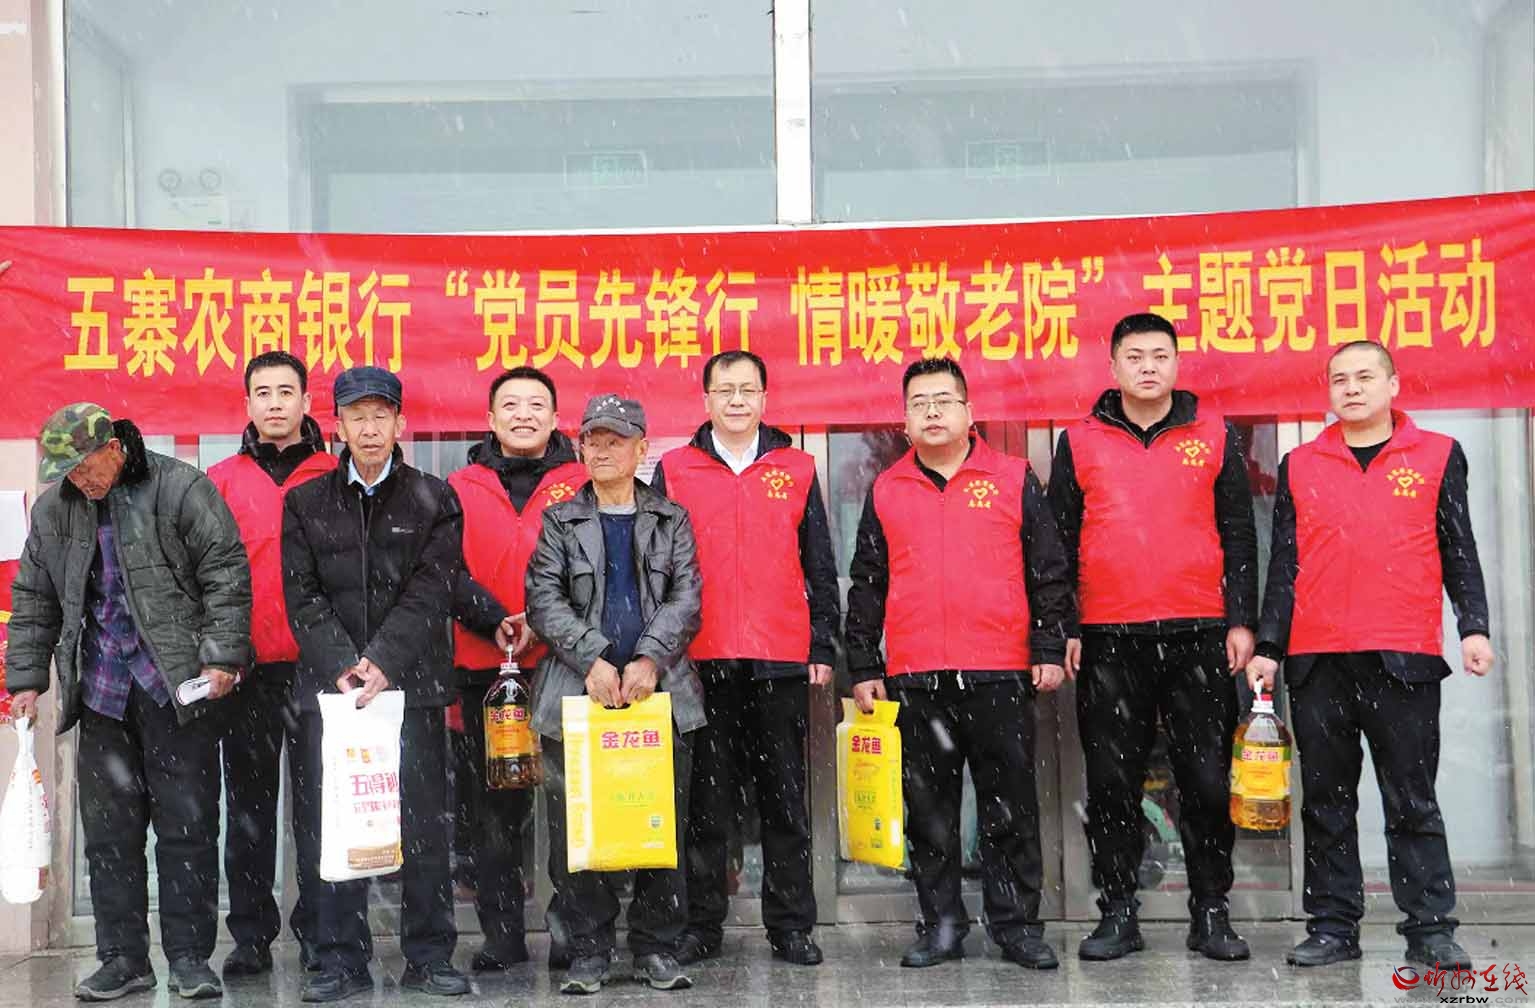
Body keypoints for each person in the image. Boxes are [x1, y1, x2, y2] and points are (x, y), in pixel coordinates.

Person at [1247, 340, 1495, 971]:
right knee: (1326, 802)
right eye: (1339, 380)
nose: (1352, 389)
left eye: (1364, 377)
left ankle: (1430, 930)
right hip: (1318, 658)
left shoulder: (1437, 454)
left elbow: (1458, 546)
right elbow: (1285, 565)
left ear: (1393, 384)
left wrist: (1473, 626)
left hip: (1403, 654)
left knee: (1411, 798)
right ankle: (1333, 926)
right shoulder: (1301, 464)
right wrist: (1270, 645)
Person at [7, 403, 251, 1002]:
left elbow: (225, 573)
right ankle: (122, 959)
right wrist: (25, 681)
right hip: (102, 692)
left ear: (114, 447)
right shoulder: (55, 510)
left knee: (187, 829)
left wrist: (222, 655)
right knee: (109, 836)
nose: (80, 480)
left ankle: (190, 959)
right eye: (67, 472)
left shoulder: (180, 488)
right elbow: (34, 598)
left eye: (85, 466)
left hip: (174, 690)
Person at [845, 358, 1072, 971]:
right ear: (904, 419)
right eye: (920, 403)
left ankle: (1016, 926)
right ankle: (941, 925)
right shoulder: (888, 488)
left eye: (944, 400)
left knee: (1010, 808)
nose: (932, 412)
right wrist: (863, 662)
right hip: (916, 675)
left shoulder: (1013, 477)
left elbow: (1048, 570)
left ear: (970, 412)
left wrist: (1049, 646)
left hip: (999, 670)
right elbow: (867, 582)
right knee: (930, 814)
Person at [1047, 312, 1259, 962]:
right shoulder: (1078, 441)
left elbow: (1239, 532)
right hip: (1110, 637)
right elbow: (1057, 542)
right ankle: (1117, 910)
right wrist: (1064, 625)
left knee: (1205, 781)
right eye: (1134, 356)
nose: (1147, 367)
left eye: (1159, 355)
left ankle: (1211, 909)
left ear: (1176, 363)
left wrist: (1241, 619)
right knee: (1113, 783)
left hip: (1199, 633)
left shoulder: (1214, 435)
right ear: (1113, 367)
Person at [281, 366, 470, 1002]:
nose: (368, 428)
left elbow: (432, 588)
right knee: (337, 824)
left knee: (423, 826)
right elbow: (302, 595)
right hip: (334, 696)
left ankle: (429, 956)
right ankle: (340, 959)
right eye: (356, 416)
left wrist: (384, 659)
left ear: (399, 423)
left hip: (413, 690)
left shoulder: (433, 498)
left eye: (379, 416)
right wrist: (342, 663)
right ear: (337, 425)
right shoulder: (305, 502)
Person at [650, 350, 840, 967]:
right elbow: (656, 568)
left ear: (764, 398)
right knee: (706, 804)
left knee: (784, 799)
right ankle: (702, 924)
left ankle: (791, 925)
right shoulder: (676, 468)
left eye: (748, 390)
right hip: (699, 660)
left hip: (779, 657)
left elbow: (819, 563)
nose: (737, 400)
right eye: (725, 390)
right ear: (705, 400)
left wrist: (823, 642)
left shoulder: (797, 467)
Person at [525, 393, 705, 995]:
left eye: (615, 440)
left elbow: (686, 598)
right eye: (592, 441)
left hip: (660, 695)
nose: (602, 451)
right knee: (578, 831)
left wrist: (650, 658)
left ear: (641, 449)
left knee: (660, 825)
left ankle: (656, 946)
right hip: (577, 698)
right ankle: (588, 949)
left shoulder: (671, 519)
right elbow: (543, 599)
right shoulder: (560, 519)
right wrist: (593, 659)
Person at [448, 366, 587, 971]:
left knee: (569, 802)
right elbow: (442, 569)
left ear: (555, 418)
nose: (523, 415)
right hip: (485, 667)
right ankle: (501, 935)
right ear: (490, 418)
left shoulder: (582, 482)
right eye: (511, 405)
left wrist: (541, 620)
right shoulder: (458, 486)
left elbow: (594, 568)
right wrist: (493, 618)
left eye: (536, 405)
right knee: (493, 810)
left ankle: (572, 930)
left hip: (565, 665)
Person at [207, 350, 338, 977]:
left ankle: (320, 930)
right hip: (247, 672)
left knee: (321, 811)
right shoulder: (220, 480)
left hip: (323, 671)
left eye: (287, 391)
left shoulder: (335, 474)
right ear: (248, 404)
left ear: (307, 402)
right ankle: (251, 935)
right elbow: (202, 575)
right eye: (264, 393)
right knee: (249, 813)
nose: (276, 403)